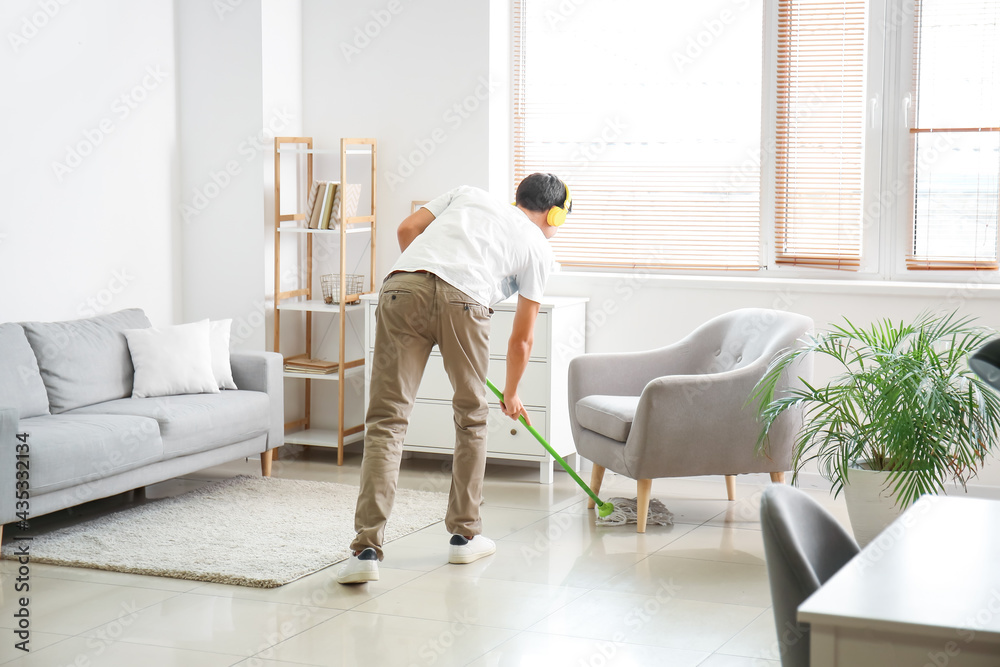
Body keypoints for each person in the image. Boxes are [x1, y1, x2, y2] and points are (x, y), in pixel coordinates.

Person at [337, 173, 571, 584]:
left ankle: (365, 549)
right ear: (555, 214)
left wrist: (429, 282)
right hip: (464, 302)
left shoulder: (469, 194)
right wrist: (512, 393)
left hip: (401, 287)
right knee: (471, 418)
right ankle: (464, 538)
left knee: (387, 421)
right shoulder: (538, 248)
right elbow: (522, 339)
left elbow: (407, 229)